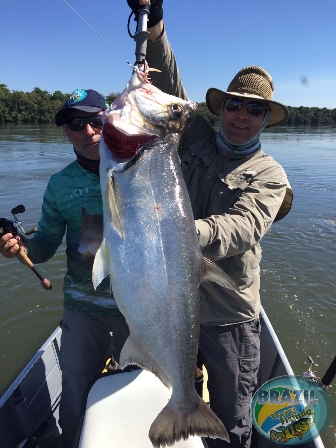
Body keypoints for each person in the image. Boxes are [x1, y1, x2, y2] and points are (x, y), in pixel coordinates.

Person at [126, 1, 293, 447]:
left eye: (254, 110)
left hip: (226, 313)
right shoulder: (195, 133)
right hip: (167, 298)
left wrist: (174, 235)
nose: (242, 116)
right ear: (222, 108)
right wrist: (155, 24)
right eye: (235, 105)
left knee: (231, 417)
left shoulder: (270, 174)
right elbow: (168, 80)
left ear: (264, 120)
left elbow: (242, 228)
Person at [0, 89, 129, 448]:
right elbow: (44, 245)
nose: (88, 131)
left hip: (136, 306)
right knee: (74, 392)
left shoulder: (135, 167)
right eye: (76, 124)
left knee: (142, 386)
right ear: (67, 133)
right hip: (83, 307)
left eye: (95, 120)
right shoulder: (59, 184)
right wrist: (20, 248)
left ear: (110, 119)